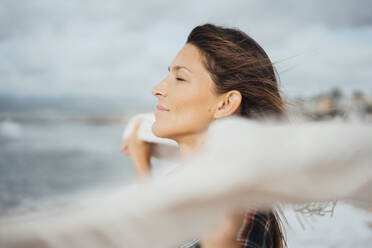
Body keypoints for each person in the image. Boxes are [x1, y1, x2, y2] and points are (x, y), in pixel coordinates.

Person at [121, 23, 286, 248]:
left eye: (180, 78)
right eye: (168, 74)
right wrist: (143, 168)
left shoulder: (242, 208)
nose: (157, 88)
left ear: (226, 103)